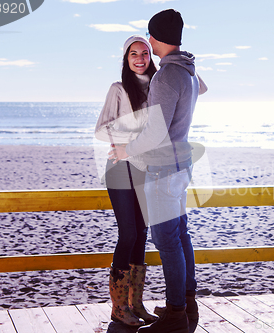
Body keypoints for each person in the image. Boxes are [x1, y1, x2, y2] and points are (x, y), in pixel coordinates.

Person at [112, 8, 206, 333]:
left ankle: (176, 314)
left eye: (148, 38)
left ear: (154, 38)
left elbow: (154, 133)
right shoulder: (188, 71)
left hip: (164, 169)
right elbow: (197, 89)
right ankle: (186, 304)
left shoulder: (166, 76)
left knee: (167, 241)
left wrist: (126, 149)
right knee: (181, 235)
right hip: (181, 165)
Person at [94, 35, 159, 327]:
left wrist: (185, 62)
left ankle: (136, 304)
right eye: (133, 53)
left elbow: (202, 88)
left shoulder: (159, 86)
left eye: (145, 52)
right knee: (129, 234)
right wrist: (133, 140)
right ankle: (119, 308)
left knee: (142, 233)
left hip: (146, 168)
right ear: (126, 58)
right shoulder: (119, 89)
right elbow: (101, 129)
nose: (140, 58)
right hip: (120, 167)